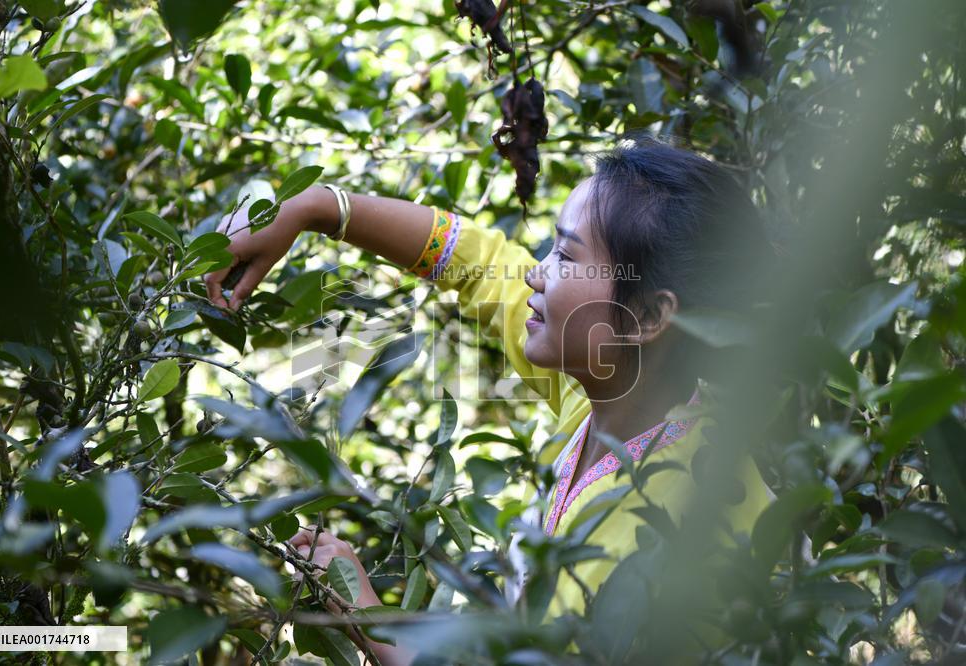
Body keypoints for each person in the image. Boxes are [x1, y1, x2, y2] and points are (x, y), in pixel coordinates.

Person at [203, 136, 774, 664]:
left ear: (648, 315)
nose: (535, 277)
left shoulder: (698, 516)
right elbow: (477, 262)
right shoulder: (613, 392)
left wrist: (364, 613)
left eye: (567, 258)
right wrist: (316, 207)